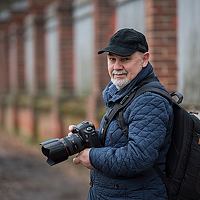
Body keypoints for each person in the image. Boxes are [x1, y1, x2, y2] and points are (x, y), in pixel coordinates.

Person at [70, 28, 173, 200]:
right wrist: (85, 139)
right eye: (112, 59)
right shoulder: (123, 93)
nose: (117, 67)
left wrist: (92, 156)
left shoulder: (149, 100)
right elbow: (121, 138)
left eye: (125, 59)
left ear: (144, 59)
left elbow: (138, 156)